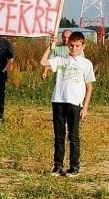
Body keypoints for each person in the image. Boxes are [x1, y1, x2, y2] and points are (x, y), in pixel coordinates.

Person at [40, 31, 94, 177]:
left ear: (83, 46)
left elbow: (89, 87)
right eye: (71, 45)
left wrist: (85, 107)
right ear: (67, 45)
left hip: (75, 103)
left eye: (77, 46)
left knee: (73, 136)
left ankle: (74, 167)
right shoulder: (61, 60)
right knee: (59, 135)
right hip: (58, 101)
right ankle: (58, 166)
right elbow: (43, 62)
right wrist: (50, 46)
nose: (74, 48)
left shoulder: (86, 63)